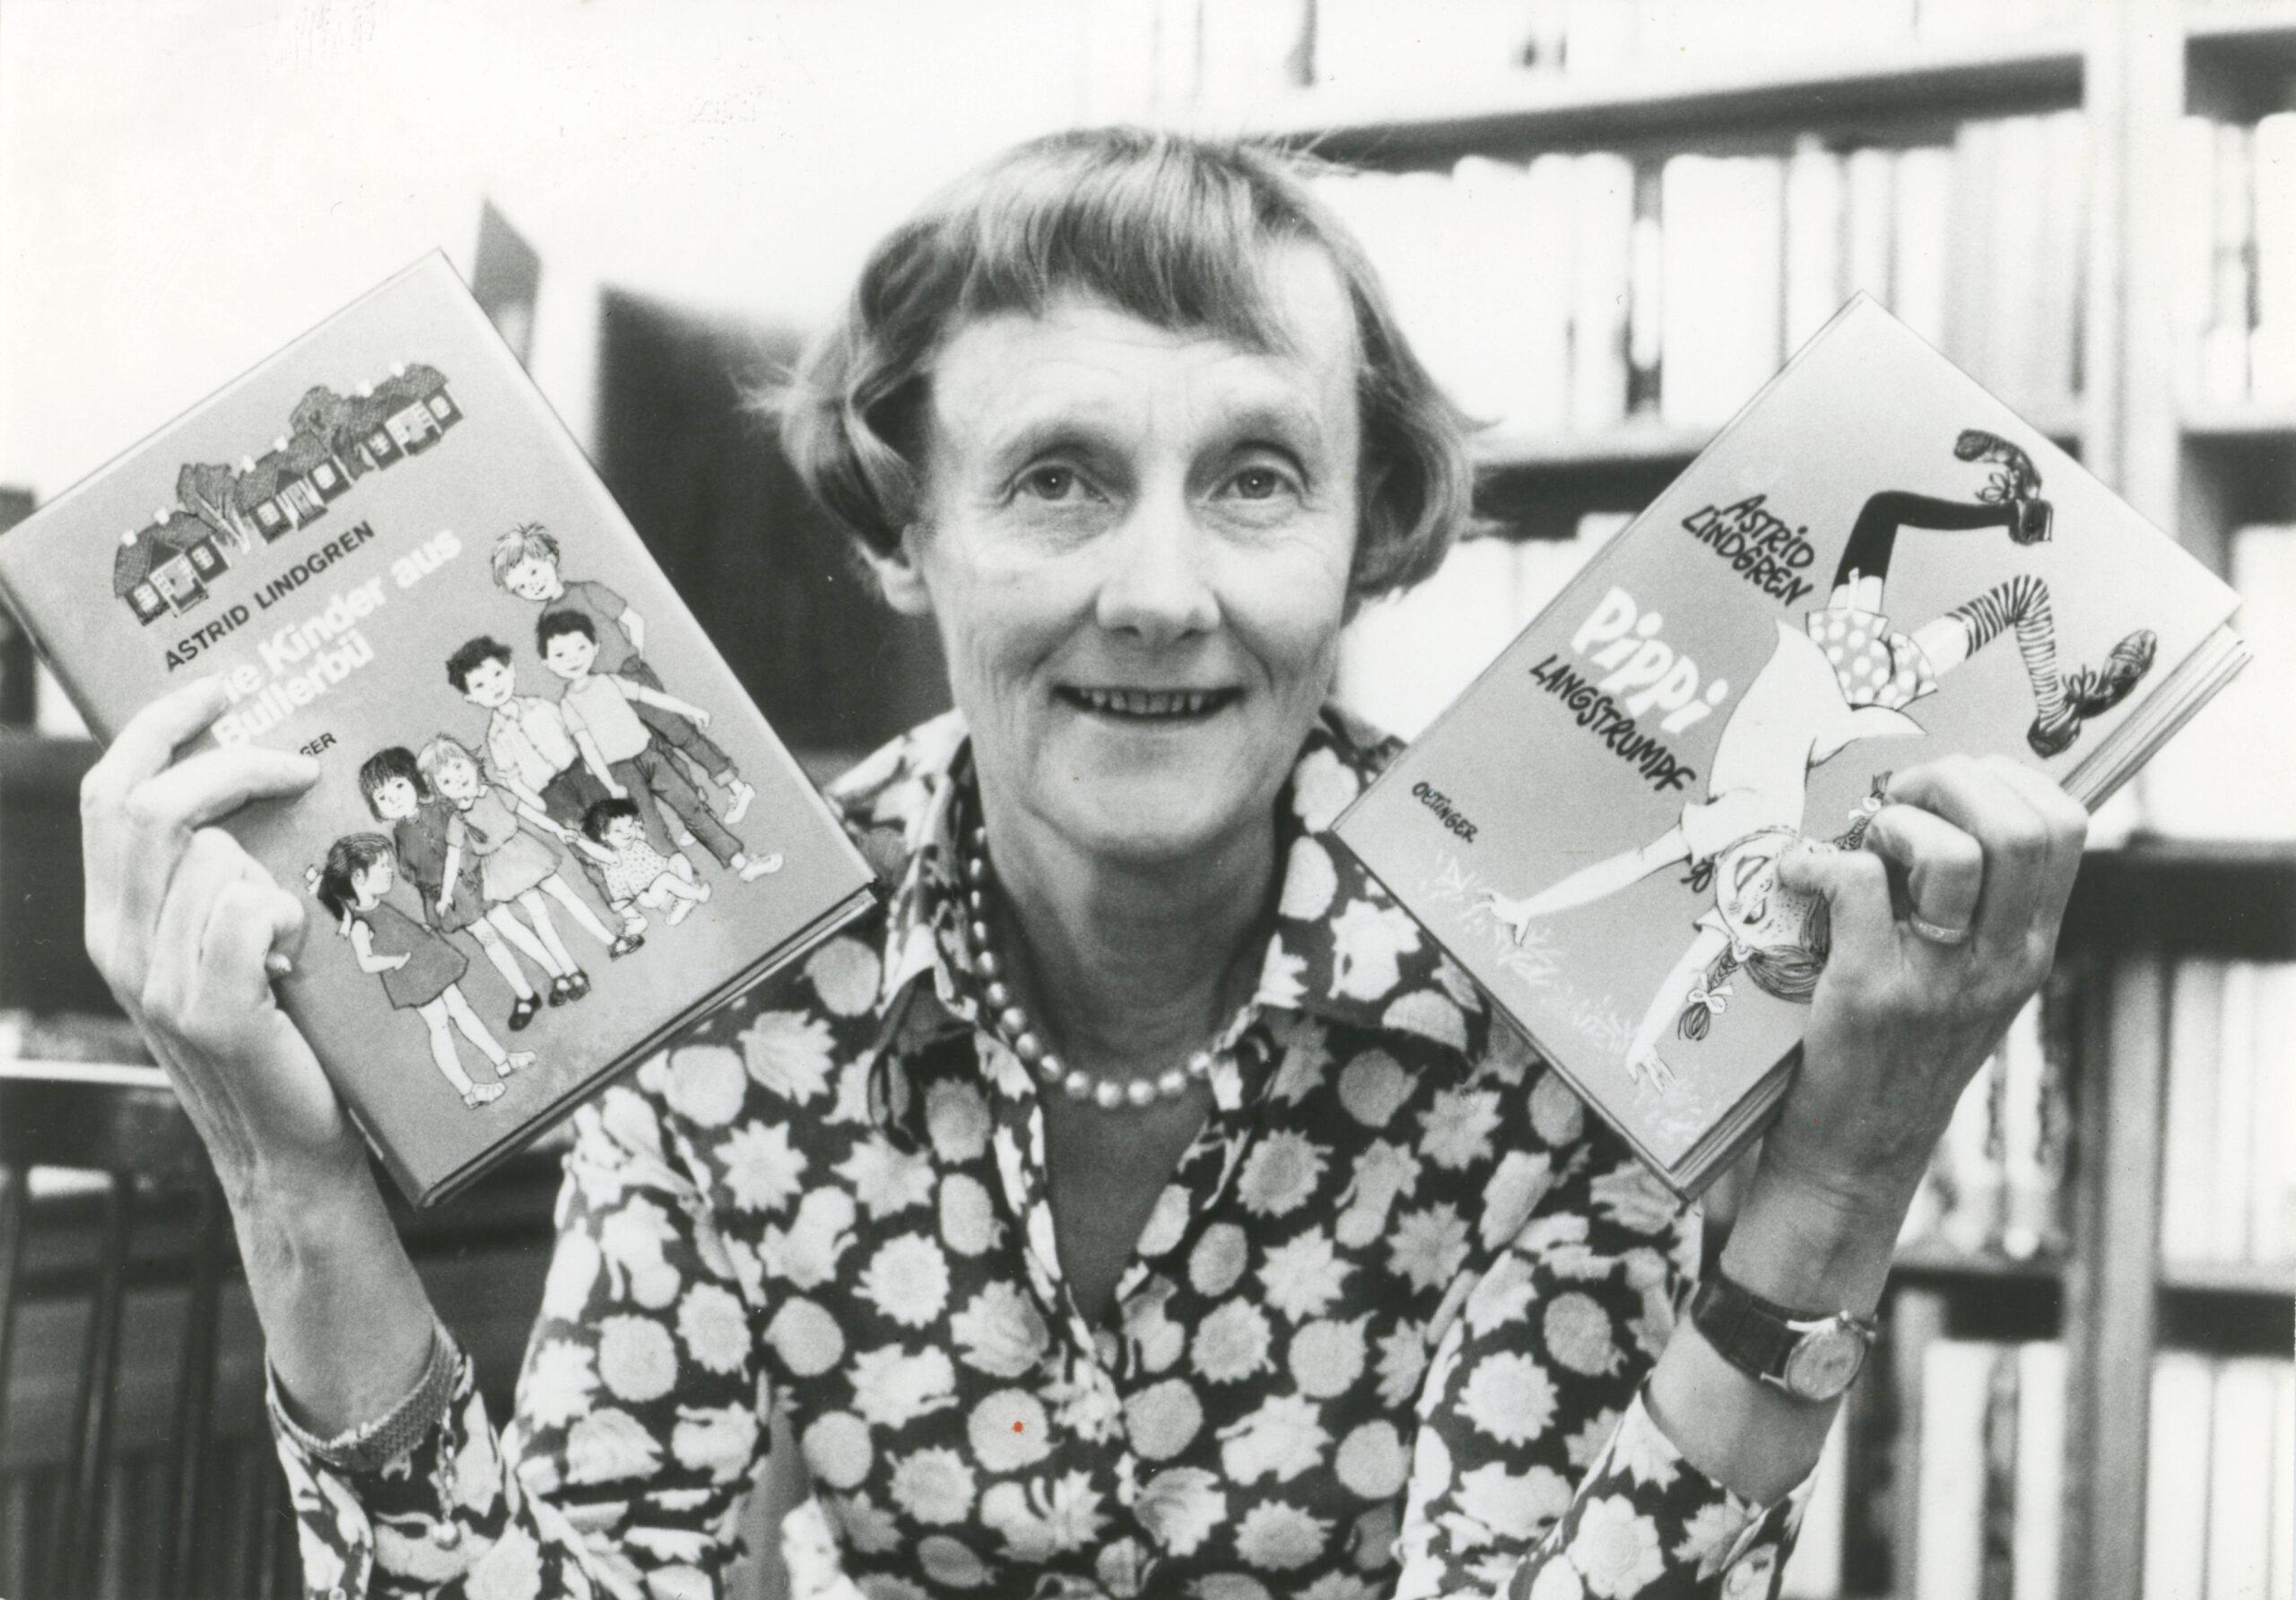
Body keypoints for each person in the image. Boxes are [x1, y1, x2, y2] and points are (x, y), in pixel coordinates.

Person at [77, 129, 2091, 1599]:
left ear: (1369, 537)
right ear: (899, 535)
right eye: (1053, 480)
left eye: (1251, 479)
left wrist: (1832, 1178)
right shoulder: (737, 961)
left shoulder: (1530, 980)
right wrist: (286, 1173)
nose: (1156, 593)